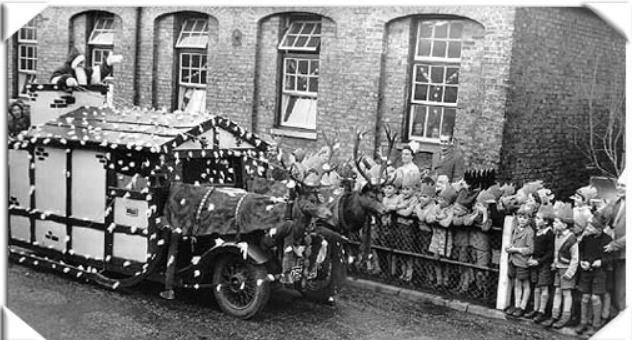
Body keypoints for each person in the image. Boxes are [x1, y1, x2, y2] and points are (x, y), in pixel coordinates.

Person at [542, 201, 579, 329]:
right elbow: (556, 251)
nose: (554, 224)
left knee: (566, 293)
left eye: (557, 222)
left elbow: (575, 258)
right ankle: (554, 315)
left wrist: (570, 272)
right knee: (557, 291)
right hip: (558, 267)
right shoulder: (557, 235)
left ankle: (565, 317)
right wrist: (554, 263)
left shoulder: (571, 239)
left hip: (566, 269)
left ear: (565, 225)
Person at [574, 214, 612, 337]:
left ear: (599, 229)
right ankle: (583, 323)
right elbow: (580, 251)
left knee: (595, 298)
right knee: (585, 298)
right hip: (586, 271)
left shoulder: (607, 239)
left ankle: (595, 325)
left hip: (599, 273)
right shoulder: (586, 238)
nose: (588, 228)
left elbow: (611, 257)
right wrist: (582, 261)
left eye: (591, 226)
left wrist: (601, 262)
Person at [600, 173, 625, 313]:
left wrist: (615, 245)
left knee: (622, 286)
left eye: (624, 186)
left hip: (624, 252)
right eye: (619, 185)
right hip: (612, 251)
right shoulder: (616, 201)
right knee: (611, 284)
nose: (620, 188)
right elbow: (604, 218)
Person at [505, 204, 535, 317]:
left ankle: (523, 306)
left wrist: (516, 249)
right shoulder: (515, 229)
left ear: (529, 219)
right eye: (520, 217)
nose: (522, 220)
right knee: (517, 283)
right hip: (514, 260)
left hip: (522, 261)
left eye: (525, 218)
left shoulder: (529, 231)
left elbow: (530, 249)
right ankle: (517, 305)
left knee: (525, 284)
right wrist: (509, 247)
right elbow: (513, 241)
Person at [527, 204, 555, 323]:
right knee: (537, 287)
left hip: (544, 263)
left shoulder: (549, 234)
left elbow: (550, 252)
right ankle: (535, 308)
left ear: (546, 221)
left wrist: (539, 261)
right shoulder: (537, 231)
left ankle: (542, 311)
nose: (536, 220)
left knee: (544, 287)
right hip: (535, 262)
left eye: (538, 219)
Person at [50, 47, 123, 90]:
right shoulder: (63, 69)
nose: (82, 65)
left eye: (82, 62)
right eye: (80, 63)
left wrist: (107, 64)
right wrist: (66, 79)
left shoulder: (83, 71)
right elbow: (55, 79)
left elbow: (96, 73)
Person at [427, 184, 457, 288]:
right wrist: (439, 217)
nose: (441, 201)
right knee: (436, 258)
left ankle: (446, 281)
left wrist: (438, 219)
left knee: (445, 260)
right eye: (440, 198)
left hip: (446, 238)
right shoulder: (436, 207)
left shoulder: (451, 209)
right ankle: (439, 280)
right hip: (436, 237)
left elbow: (447, 223)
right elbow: (428, 218)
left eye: (445, 200)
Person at [394, 173, 420, 282]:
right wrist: (402, 208)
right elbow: (392, 207)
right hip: (400, 227)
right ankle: (403, 271)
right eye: (403, 189)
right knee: (400, 251)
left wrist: (399, 210)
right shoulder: (399, 197)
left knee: (408, 251)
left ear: (413, 190)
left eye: (408, 189)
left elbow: (407, 213)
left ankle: (410, 273)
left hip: (409, 229)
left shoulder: (414, 199)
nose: (404, 192)